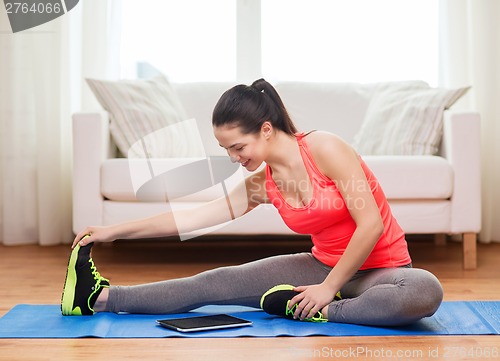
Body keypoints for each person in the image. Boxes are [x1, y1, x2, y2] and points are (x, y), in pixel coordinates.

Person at [61, 78, 443, 326]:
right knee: (212, 283)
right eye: (226, 149)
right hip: (319, 265)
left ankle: (318, 310)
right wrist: (114, 232)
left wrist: (327, 290)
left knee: (424, 290)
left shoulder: (325, 148)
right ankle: (100, 298)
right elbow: (194, 218)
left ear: (265, 129)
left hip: (383, 271)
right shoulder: (261, 184)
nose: (233, 157)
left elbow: (371, 225)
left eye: (238, 147)